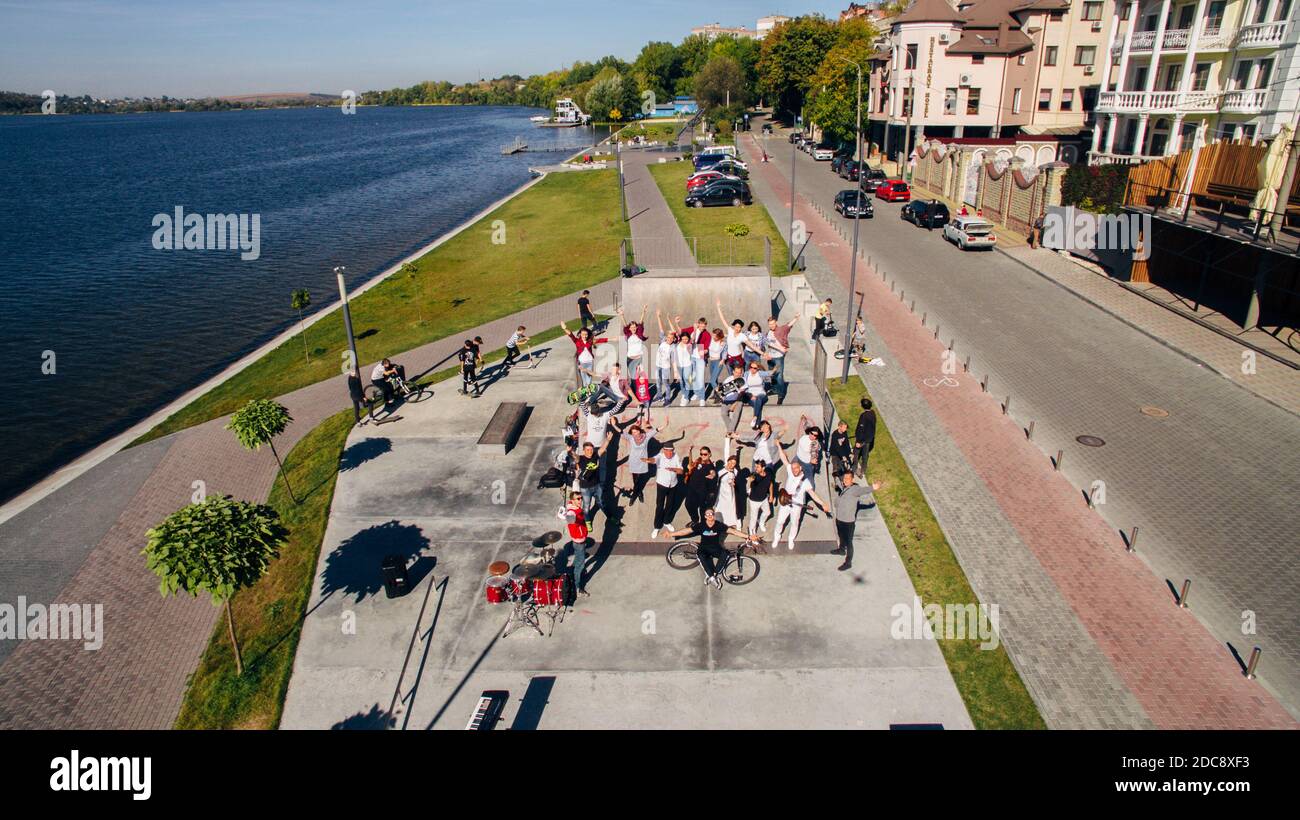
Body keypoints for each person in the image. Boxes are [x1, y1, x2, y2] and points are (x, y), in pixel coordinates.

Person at [663, 509, 753, 589]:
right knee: (701, 555)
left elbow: (733, 531)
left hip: (716, 548)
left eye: (712, 514)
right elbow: (686, 531)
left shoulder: (719, 525)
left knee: (725, 553)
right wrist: (671, 534)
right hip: (704, 548)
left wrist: (748, 536)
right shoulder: (701, 525)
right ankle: (712, 577)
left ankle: (713, 575)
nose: (710, 515)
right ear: (705, 516)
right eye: (708, 514)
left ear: (714, 516)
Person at [771, 441, 831, 550]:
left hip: (797, 506)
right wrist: (779, 445)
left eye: (796, 468)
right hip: (785, 502)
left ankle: (791, 538)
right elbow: (784, 458)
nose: (794, 470)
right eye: (793, 468)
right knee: (780, 521)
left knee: (794, 523)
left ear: (801, 469)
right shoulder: (790, 470)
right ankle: (777, 536)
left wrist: (823, 504)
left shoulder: (805, 482)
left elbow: (813, 495)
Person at [829, 470, 883, 571]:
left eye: (848, 478)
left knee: (849, 542)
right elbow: (838, 484)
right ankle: (841, 550)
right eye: (844, 478)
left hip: (848, 522)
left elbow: (865, 490)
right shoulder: (843, 487)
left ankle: (848, 562)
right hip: (839, 519)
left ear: (852, 479)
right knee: (841, 536)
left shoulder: (855, 489)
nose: (845, 480)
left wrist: (874, 487)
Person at [619, 415, 663, 506]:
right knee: (636, 481)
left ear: (639, 431)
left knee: (640, 480)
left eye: (636, 431)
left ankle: (635, 496)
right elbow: (620, 432)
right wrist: (614, 425)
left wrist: (665, 425)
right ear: (632, 433)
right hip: (634, 463)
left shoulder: (646, 437)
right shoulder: (631, 438)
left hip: (642, 463)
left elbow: (655, 430)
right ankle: (638, 494)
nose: (635, 434)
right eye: (633, 432)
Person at [558, 492, 593, 596]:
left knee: (578, 558)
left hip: (577, 541)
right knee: (580, 565)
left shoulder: (573, 506)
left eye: (581, 498)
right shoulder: (572, 512)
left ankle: (573, 572)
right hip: (579, 541)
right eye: (578, 499)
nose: (580, 500)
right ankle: (578, 587)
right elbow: (570, 518)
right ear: (572, 500)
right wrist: (563, 515)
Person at [650, 441, 684, 539]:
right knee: (660, 506)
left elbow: (681, 470)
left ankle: (666, 521)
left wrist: (674, 469)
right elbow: (653, 459)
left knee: (670, 504)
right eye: (667, 451)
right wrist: (649, 460)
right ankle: (657, 527)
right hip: (662, 485)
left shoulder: (676, 456)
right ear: (664, 450)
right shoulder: (660, 456)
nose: (669, 453)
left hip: (673, 485)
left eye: (671, 451)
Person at [560, 321, 608, 386]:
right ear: (580, 334)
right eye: (583, 334)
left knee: (589, 380)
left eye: (586, 334)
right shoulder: (577, 341)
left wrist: (613, 339)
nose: (584, 336)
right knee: (584, 380)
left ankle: (589, 393)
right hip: (582, 363)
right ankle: (586, 393)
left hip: (589, 363)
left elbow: (600, 340)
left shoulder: (590, 341)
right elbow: (571, 335)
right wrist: (565, 328)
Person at [765, 314, 798, 404]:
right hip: (770, 357)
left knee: (779, 376)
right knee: (772, 374)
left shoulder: (781, 329)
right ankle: (775, 389)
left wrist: (795, 318)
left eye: (773, 323)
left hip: (778, 357)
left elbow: (788, 325)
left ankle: (781, 394)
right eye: (770, 324)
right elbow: (768, 343)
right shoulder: (768, 332)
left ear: (776, 323)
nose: (771, 325)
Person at [683, 446, 718, 524]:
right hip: (692, 489)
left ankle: (702, 524)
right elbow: (690, 464)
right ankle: (695, 519)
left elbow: (713, 471)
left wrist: (713, 474)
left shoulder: (710, 466)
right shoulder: (698, 461)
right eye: (701, 454)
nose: (703, 456)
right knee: (688, 505)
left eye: (705, 454)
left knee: (702, 509)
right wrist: (690, 452)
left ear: (709, 454)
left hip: (702, 491)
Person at [744, 458, 775, 535]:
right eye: (755, 467)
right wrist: (750, 481)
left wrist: (771, 495)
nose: (755, 468)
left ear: (763, 468)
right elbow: (749, 484)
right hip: (754, 501)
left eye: (757, 467)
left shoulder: (768, 473)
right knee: (753, 518)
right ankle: (752, 533)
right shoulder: (755, 476)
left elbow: (770, 484)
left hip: (764, 498)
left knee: (767, 512)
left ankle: (761, 522)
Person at [617, 305, 649, 375]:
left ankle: (639, 385)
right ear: (629, 328)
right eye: (631, 327)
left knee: (639, 375)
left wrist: (644, 311)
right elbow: (625, 325)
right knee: (632, 375)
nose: (633, 328)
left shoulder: (639, 333)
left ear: (636, 328)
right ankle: (633, 385)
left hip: (639, 358)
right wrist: (622, 315)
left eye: (634, 327)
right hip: (630, 358)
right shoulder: (628, 335)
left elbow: (640, 322)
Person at [575, 441, 602, 520]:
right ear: (584, 450)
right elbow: (575, 456)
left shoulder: (595, 456)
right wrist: (570, 451)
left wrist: (608, 440)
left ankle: (609, 516)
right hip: (585, 488)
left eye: (591, 449)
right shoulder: (580, 459)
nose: (590, 451)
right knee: (586, 507)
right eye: (587, 450)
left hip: (597, 485)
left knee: (601, 502)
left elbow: (603, 448)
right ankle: (587, 521)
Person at [716, 453, 742, 529]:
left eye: (734, 463)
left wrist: (734, 483)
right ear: (728, 461)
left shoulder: (735, 471)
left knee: (730, 508)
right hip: (721, 493)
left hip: (730, 493)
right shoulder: (721, 471)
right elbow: (717, 482)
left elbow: (736, 481)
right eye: (730, 462)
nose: (731, 464)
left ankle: (730, 523)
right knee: (720, 507)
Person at [741, 360, 770, 430]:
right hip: (750, 395)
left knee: (758, 399)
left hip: (761, 394)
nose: (753, 369)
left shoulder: (760, 374)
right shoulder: (746, 374)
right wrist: (750, 395)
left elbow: (769, 374)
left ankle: (755, 417)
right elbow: (744, 387)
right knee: (758, 404)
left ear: (758, 369)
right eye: (751, 367)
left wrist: (775, 369)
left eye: (755, 368)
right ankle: (757, 424)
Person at [853, 397, 877, 478]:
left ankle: (855, 468)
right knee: (865, 456)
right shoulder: (873, 413)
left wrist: (858, 442)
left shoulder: (864, 416)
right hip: (869, 439)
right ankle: (863, 471)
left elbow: (861, 429)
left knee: (856, 453)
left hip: (862, 440)